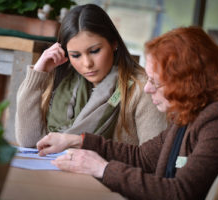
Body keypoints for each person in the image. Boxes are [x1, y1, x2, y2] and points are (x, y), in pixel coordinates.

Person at [36, 26, 218, 200]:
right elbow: (143, 158)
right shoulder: (193, 109)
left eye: (156, 82)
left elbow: (180, 193)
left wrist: (102, 169)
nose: (148, 88)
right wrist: (77, 141)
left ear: (189, 83)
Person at [15, 4, 167, 148]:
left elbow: (153, 159)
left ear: (114, 43)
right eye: (76, 55)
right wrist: (38, 74)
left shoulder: (143, 89)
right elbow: (29, 141)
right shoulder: (63, 82)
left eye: (94, 51)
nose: (87, 63)